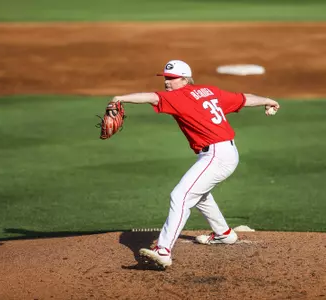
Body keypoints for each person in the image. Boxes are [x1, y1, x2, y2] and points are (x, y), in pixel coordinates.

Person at [109, 60, 280, 269]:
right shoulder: (208, 91)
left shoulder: (178, 97)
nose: (167, 82)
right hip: (223, 153)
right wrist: (268, 100)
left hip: (217, 155)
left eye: (171, 79)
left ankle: (163, 250)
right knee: (199, 194)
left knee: (180, 195)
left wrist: (120, 98)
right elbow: (244, 99)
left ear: (184, 79)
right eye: (165, 78)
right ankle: (223, 233)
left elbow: (151, 97)